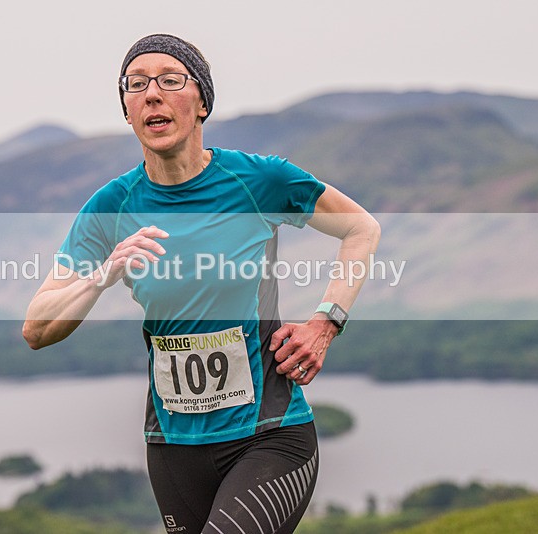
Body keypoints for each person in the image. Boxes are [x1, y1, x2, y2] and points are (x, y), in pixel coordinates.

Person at [23, 34, 380, 534]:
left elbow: (361, 228)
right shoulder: (111, 207)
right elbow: (37, 329)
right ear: (126, 110)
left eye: (170, 80)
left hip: (268, 436)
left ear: (202, 103)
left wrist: (326, 323)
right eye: (136, 84)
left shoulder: (258, 181)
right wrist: (102, 276)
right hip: (173, 450)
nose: (152, 94)